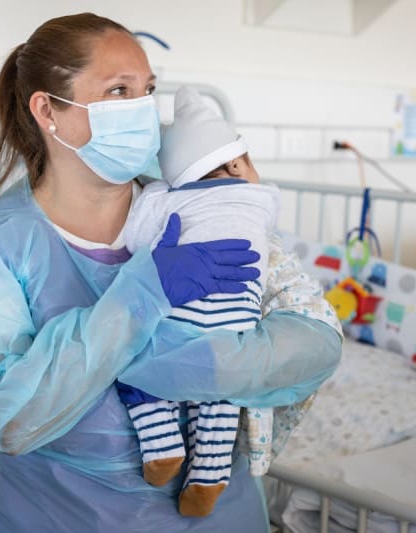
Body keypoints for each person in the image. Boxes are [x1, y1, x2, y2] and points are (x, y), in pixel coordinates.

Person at [0, 12, 342, 533]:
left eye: (148, 89)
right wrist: (140, 296)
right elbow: (8, 416)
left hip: (221, 514)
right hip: (62, 516)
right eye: (118, 90)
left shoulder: (201, 207)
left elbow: (317, 338)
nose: (143, 109)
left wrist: (202, 362)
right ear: (48, 110)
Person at [116, 86, 298, 518]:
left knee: (138, 372)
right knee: (219, 397)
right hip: (237, 324)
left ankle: (161, 449)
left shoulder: (169, 199)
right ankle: (209, 476)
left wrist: (161, 188)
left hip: (185, 313)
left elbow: (135, 240)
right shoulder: (263, 198)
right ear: (237, 163)